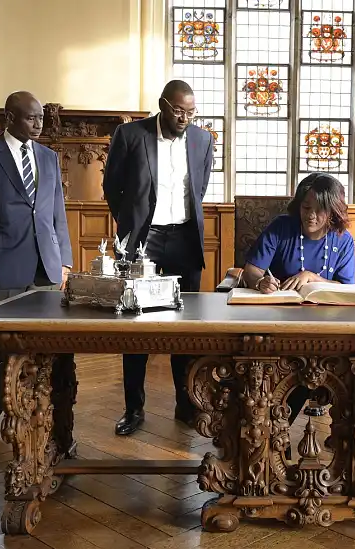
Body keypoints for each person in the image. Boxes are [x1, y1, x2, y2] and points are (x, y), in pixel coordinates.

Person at [0, 91, 73, 448]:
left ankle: (58, 426)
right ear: (10, 118)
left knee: (55, 352)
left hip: (47, 270)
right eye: (30, 118)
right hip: (2, 269)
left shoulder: (49, 158)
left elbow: (57, 214)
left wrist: (64, 260)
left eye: (41, 118)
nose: (38, 124)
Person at [103, 80, 214, 436]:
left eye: (190, 112)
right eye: (178, 111)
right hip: (142, 239)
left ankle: (186, 403)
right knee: (136, 325)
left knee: (184, 325)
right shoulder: (130, 135)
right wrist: (130, 221)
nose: (184, 118)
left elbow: (199, 187)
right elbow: (111, 186)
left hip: (183, 237)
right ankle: (133, 408)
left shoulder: (202, 140)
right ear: (163, 105)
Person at [243, 172, 355, 428]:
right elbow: (251, 269)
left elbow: (347, 288)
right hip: (277, 319)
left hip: (326, 324)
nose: (311, 215)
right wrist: (260, 282)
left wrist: (313, 278)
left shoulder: (343, 240)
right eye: (306, 207)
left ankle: (277, 428)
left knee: (314, 362)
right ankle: (270, 427)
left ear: (333, 212)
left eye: (319, 210)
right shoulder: (282, 227)